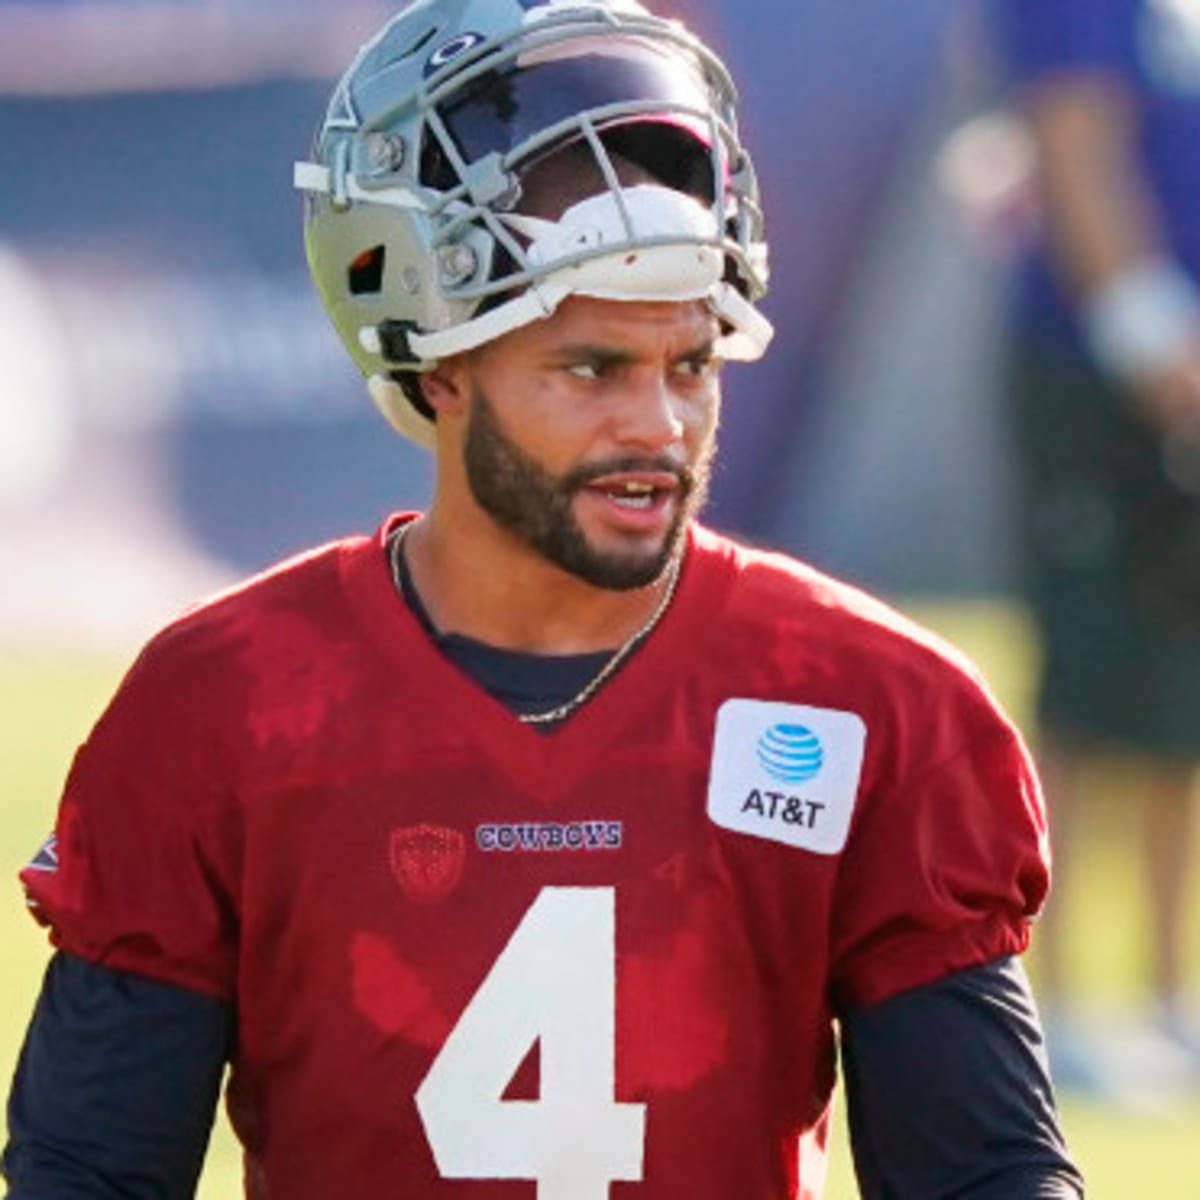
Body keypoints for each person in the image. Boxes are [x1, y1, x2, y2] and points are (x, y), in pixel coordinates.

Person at [3, 1, 1083, 1196]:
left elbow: (982, 1178)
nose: (658, 426)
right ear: (440, 361)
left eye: (690, 364)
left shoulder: (877, 701)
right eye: (590, 367)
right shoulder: (227, 702)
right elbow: (89, 1173)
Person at [996, 0, 1200, 1091]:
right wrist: (1152, 330)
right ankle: (1059, 998)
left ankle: (1172, 994)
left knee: (1185, 687)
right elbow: (1076, 139)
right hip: (1095, 369)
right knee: (1084, 679)